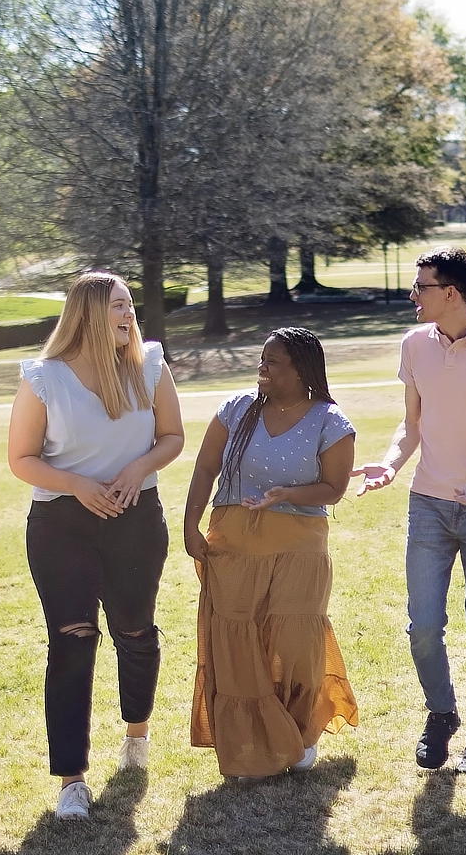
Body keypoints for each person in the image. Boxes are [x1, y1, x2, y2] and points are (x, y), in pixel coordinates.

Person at [9, 272, 184, 821]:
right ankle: (71, 779)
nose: (129, 314)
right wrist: (79, 485)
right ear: (87, 313)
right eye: (117, 305)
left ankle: (136, 732)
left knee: (135, 630)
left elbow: (172, 436)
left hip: (136, 518)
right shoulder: (43, 378)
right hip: (62, 523)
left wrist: (137, 469)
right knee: (71, 640)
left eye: (131, 304)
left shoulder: (149, 363)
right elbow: (22, 459)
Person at [361, 247, 466, 773]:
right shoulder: (414, 345)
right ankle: (441, 712)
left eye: (421, 287)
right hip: (429, 504)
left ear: (450, 293)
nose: (413, 295)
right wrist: (390, 465)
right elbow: (411, 426)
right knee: (423, 627)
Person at [181, 328, 361, 777]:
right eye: (262, 359)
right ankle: (248, 745)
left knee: (296, 643)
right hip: (234, 541)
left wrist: (288, 492)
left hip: (299, 543)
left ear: (301, 369)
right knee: (239, 642)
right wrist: (189, 525)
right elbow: (205, 467)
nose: (263, 367)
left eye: (274, 361)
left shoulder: (330, 421)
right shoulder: (236, 410)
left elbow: (335, 489)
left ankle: (300, 734)